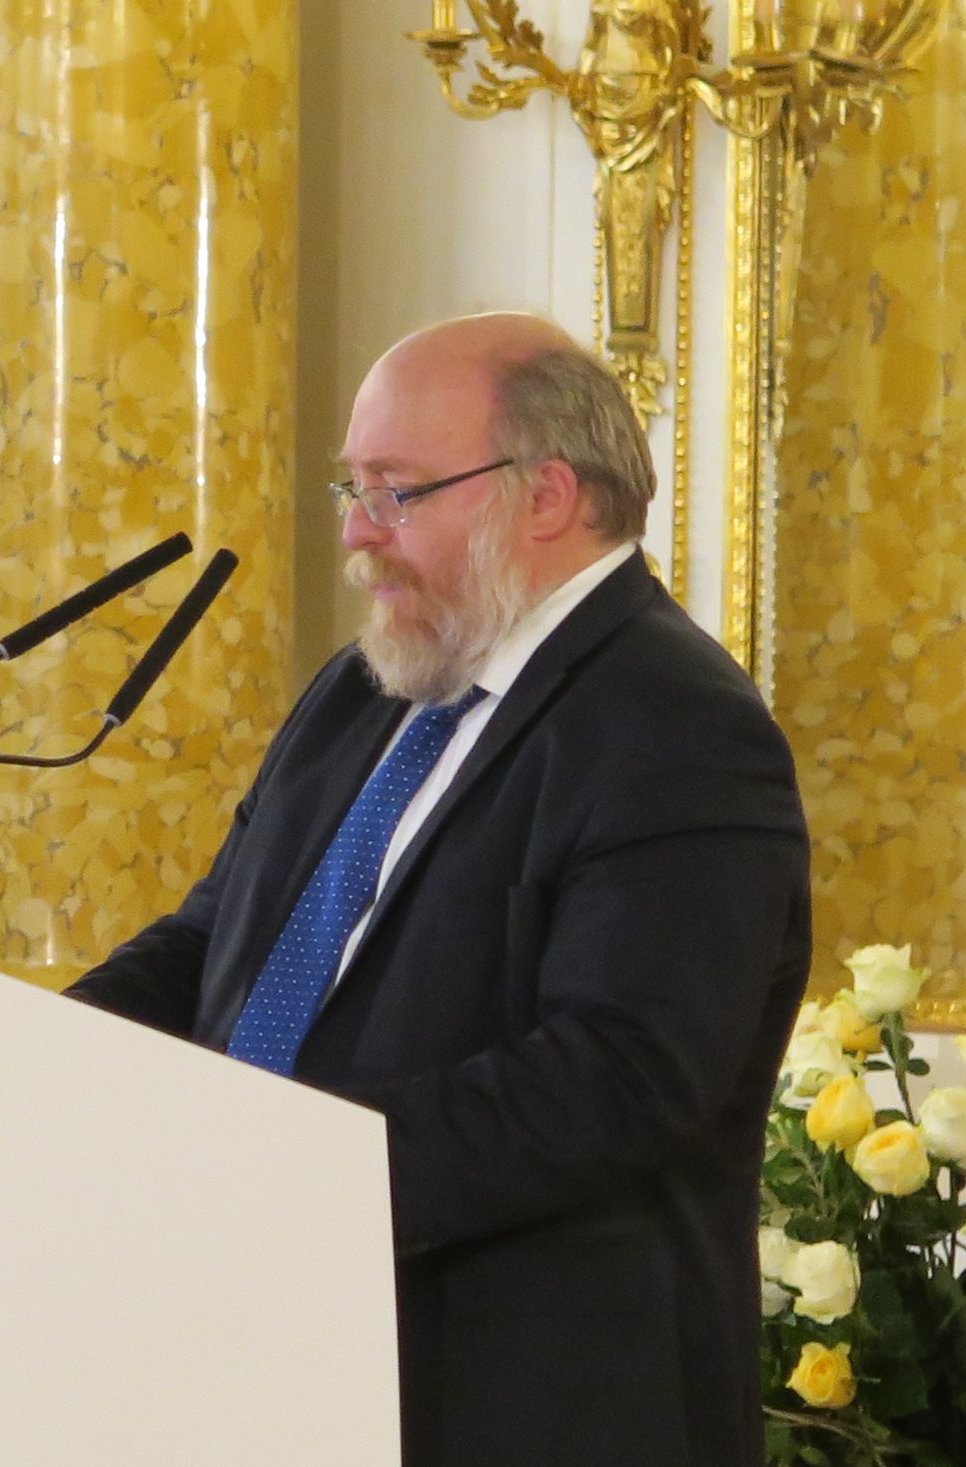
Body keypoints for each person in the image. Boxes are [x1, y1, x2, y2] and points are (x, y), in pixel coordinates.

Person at [70, 313, 810, 1467]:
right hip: (272, 1351)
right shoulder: (364, 689)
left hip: (515, 1400)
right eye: (352, 488)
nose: (357, 533)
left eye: (396, 492)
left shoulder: (676, 725)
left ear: (545, 496)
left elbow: (621, 1077)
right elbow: (217, 943)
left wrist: (291, 1171)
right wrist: (43, 1058)